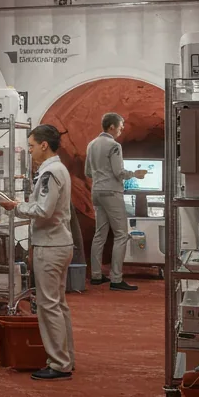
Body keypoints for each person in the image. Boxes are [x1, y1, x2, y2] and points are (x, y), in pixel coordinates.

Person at [0, 124, 75, 381]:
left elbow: (43, 210)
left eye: (31, 146)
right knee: (58, 305)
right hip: (59, 244)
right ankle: (66, 359)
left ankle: (58, 363)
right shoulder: (57, 170)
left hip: (50, 246)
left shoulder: (49, 173)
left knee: (48, 306)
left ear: (44, 145)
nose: (29, 151)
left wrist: (16, 207)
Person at [83, 112, 149, 291]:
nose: (122, 129)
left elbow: (88, 172)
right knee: (121, 234)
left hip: (96, 191)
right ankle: (116, 278)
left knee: (100, 235)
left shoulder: (92, 144)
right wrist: (135, 174)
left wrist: (100, 177)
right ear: (111, 126)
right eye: (120, 126)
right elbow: (119, 172)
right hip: (112, 192)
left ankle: (96, 276)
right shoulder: (114, 146)